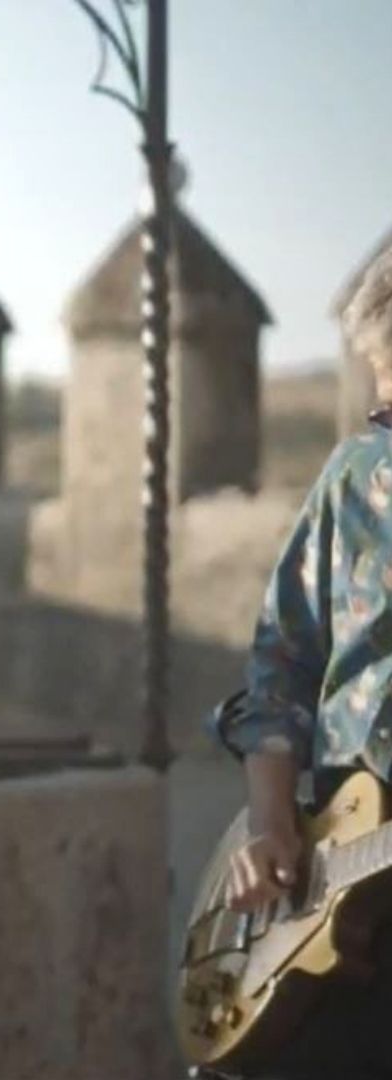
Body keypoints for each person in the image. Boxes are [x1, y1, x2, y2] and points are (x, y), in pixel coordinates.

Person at [217, 240, 392, 1080]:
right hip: (340, 865)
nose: (381, 417)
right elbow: (282, 661)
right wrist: (270, 822)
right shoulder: (356, 476)